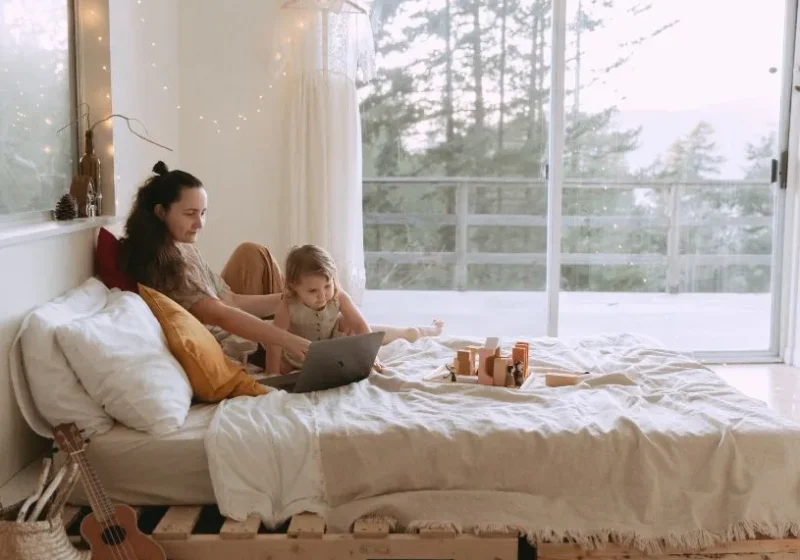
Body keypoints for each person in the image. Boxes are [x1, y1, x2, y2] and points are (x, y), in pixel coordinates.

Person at [118, 161, 442, 370]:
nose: (200, 224)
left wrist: (297, 295)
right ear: (160, 213)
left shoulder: (183, 248)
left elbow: (230, 299)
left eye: (203, 213)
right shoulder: (163, 264)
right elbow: (218, 312)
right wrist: (286, 338)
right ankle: (408, 333)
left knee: (329, 310)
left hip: (245, 321)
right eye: (190, 214)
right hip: (240, 344)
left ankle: (407, 332)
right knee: (332, 328)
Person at [267, 244, 373, 373]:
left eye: (327, 286)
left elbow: (359, 324)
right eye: (313, 291)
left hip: (330, 348)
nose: (322, 296)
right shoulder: (288, 305)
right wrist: (272, 373)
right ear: (293, 285)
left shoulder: (339, 296)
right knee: (283, 367)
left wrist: (372, 357)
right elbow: (275, 341)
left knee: (347, 321)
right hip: (297, 355)